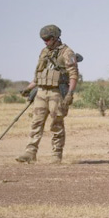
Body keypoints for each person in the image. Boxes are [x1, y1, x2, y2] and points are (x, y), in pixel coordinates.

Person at [16, 25, 79, 164]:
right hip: (41, 91)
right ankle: (30, 153)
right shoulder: (44, 52)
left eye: (48, 39)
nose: (45, 42)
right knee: (36, 122)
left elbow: (74, 75)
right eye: (43, 39)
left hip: (57, 92)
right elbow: (39, 75)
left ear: (56, 37)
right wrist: (28, 88)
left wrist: (70, 94)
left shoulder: (67, 53)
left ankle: (56, 154)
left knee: (56, 123)